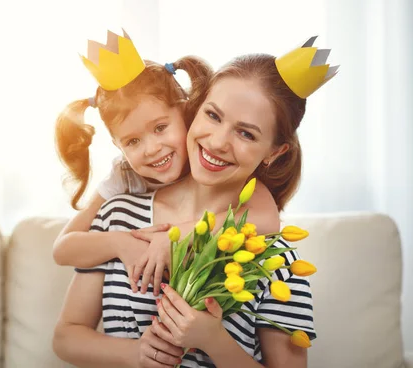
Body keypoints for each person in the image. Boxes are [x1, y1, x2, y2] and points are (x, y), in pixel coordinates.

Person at [53, 36, 338, 367]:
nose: (217, 142)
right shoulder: (117, 217)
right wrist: (137, 354)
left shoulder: (273, 256)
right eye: (213, 116)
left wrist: (213, 341)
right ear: (194, 109)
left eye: (246, 133)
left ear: (274, 152)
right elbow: (66, 337)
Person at [53, 30, 280, 296]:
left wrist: (179, 234)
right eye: (132, 142)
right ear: (118, 146)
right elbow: (63, 249)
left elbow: (267, 219)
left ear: (186, 110)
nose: (151, 149)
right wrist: (119, 243)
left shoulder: (213, 162)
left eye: (160, 127)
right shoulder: (124, 174)